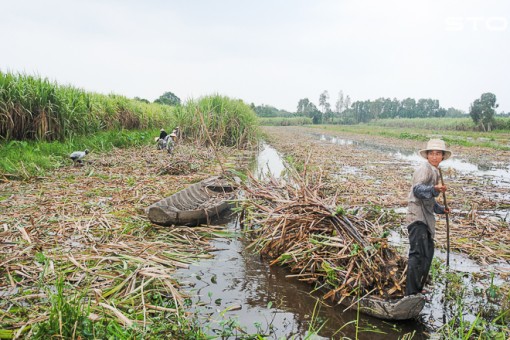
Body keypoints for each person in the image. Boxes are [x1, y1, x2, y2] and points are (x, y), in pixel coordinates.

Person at [405, 139, 452, 296]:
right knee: (417, 254)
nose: (434, 156)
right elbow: (418, 190)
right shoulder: (424, 169)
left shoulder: (436, 171)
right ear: (427, 156)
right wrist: (434, 189)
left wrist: (440, 209)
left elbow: (429, 200)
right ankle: (411, 292)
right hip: (417, 217)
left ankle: (418, 287)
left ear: (443, 156)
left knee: (428, 253)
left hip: (426, 217)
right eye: (431, 153)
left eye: (438, 153)